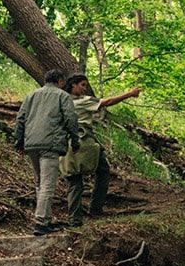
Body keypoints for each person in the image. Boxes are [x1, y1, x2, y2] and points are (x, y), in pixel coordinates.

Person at [61, 75, 142, 226]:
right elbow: (107, 102)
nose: (85, 88)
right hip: (84, 142)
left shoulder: (61, 101)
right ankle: (94, 209)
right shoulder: (82, 101)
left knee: (74, 180)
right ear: (73, 85)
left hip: (65, 144)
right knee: (102, 171)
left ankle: (75, 220)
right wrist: (129, 94)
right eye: (83, 85)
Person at [11, 69, 82, 235]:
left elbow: (20, 119)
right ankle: (41, 222)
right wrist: (75, 140)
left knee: (39, 183)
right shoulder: (62, 96)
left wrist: (19, 142)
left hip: (31, 145)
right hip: (50, 144)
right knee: (47, 185)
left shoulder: (32, 95)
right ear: (59, 81)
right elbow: (71, 119)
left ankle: (44, 218)